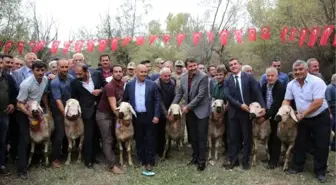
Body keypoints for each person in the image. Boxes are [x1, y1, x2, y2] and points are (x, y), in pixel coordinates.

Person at [283, 60, 330, 183]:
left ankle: (320, 172)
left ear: (306, 70)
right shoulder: (291, 84)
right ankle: (297, 167)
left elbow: (318, 102)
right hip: (302, 118)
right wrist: (284, 110)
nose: (298, 72)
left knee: (321, 144)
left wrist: (303, 114)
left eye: (300, 69)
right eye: (295, 70)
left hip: (320, 116)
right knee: (300, 142)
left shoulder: (317, 82)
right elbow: (287, 100)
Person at [223, 58, 265, 170]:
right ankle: (234, 160)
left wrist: (263, 107)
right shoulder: (227, 80)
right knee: (233, 137)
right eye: (231, 65)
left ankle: (245, 161)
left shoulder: (249, 77)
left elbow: (257, 92)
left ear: (240, 65)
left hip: (247, 113)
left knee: (247, 137)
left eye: (235, 64)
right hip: (233, 112)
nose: (233, 66)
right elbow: (227, 96)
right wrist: (239, 105)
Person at [173, 58, 210, 171]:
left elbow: (200, 96)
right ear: (187, 67)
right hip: (190, 112)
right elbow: (179, 93)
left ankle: (201, 161)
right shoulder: (183, 77)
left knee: (201, 137)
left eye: (195, 65)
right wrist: (173, 105)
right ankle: (195, 157)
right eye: (191, 66)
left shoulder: (203, 76)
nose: (193, 68)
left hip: (201, 111)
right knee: (192, 137)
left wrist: (187, 107)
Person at [123, 64, 160, 176]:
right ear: (136, 72)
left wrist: (156, 115)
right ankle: (141, 159)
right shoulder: (129, 85)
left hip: (149, 116)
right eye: (141, 72)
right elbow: (125, 100)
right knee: (138, 138)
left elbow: (157, 100)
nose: (144, 74)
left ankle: (149, 162)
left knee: (149, 138)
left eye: (145, 72)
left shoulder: (152, 84)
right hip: (136, 117)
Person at [16, 61, 49, 180]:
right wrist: (29, 115)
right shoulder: (26, 84)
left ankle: (36, 160)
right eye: (37, 70)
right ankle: (22, 170)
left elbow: (44, 94)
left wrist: (46, 109)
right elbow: (19, 104)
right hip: (23, 113)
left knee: (39, 135)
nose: (40, 73)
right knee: (25, 140)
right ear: (32, 70)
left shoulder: (45, 80)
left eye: (42, 70)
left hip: (37, 111)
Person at [70, 63, 106, 169]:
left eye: (80, 74)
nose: (77, 76)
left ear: (86, 71)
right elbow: (74, 97)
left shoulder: (97, 74)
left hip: (100, 109)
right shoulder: (74, 83)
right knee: (88, 135)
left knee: (96, 135)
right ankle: (87, 160)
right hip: (86, 112)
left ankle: (94, 157)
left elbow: (105, 86)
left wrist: (100, 91)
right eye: (76, 74)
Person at [96, 64, 124, 174]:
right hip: (104, 115)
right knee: (107, 139)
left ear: (123, 73)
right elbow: (113, 107)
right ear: (112, 74)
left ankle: (112, 156)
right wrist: (122, 119)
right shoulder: (110, 86)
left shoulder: (122, 84)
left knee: (113, 137)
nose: (118, 73)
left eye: (120, 71)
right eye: (116, 71)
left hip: (114, 115)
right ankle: (112, 165)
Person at [49, 59, 74, 168]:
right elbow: (58, 101)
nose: (64, 69)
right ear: (58, 67)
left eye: (66, 67)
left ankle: (64, 152)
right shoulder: (55, 82)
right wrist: (65, 115)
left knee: (68, 131)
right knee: (60, 133)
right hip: (58, 110)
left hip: (69, 107)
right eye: (62, 67)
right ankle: (55, 158)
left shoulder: (71, 78)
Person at [261, 67, 285, 169]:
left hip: (276, 116)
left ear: (277, 76)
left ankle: (274, 161)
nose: (270, 78)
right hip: (266, 114)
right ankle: (269, 156)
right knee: (268, 137)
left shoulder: (280, 86)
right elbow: (261, 99)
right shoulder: (264, 86)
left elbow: (276, 104)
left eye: (272, 76)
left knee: (275, 138)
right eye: (268, 76)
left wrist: (266, 116)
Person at [0, 57, 17, 175]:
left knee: (2, 140)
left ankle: (1, 164)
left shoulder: (8, 77)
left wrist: (12, 103)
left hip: (4, 114)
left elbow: (14, 93)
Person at [154, 67, 176, 157]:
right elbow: (159, 100)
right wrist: (166, 114)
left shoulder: (173, 82)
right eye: (165, 76)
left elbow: (175, 95)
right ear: (161, 76)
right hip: (158, 109)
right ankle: (158, 150)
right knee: (159, 131)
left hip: (169, 107)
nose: (167, 78)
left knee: (168, 130)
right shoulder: (156, 84)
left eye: (169, 76)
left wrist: (172, 109)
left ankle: (166, 149)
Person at [212, 65, 229, 153]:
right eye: (217, 75)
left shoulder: (228, 85)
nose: (218, 76)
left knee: (227, 132)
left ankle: (228, 150)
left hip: (227, 112)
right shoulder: (215, 86)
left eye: (221, 74)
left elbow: (229, 101)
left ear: (225, 75)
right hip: (217, 112)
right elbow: (214, 99)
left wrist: (222, 113)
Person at [326, 74, 336, 152]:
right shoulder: (329, 88)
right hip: (332, 112)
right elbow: (327, 102)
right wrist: (329, 113)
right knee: (331, 130)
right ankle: (329, 145)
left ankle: (334, 146)